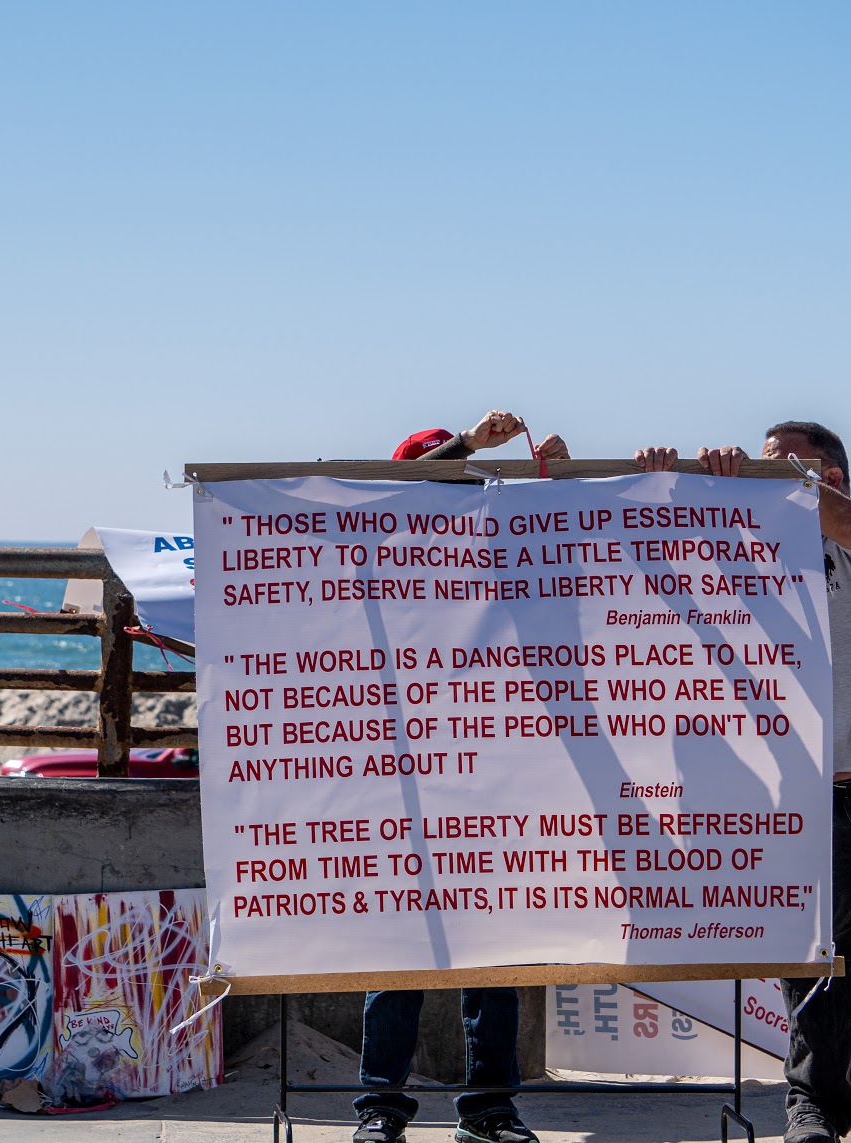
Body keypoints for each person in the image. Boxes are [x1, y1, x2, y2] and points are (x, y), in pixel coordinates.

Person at [635, 422, 851, 1143]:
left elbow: (848, 521)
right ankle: (815, 1111)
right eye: (765, 466)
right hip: (812, 800)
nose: (769, 476)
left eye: (787, 466)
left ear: (827, 473)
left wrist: (756, 481)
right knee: (816, 972)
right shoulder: (760, 553)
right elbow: (663, 580)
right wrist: (666, 486)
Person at [354, 410, 568, 1143]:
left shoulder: (491, 549)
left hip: (491, 778)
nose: (456, 492)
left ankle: (488, 1109)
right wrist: (470, 446)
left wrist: (555, 483)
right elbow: (405, 490)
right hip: (403, 783)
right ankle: (382, 1106)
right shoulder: (379, 549)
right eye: (446, 477)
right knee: (400, 959)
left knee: (494, 956)